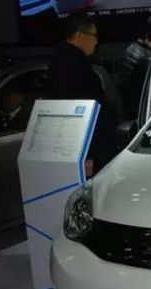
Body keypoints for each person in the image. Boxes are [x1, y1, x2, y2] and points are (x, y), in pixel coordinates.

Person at [45, 14, 120, 175]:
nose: (96, 41)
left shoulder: (57, 59)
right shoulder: (78, 66)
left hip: (67, 145)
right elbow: (89, 114)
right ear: (79, 35)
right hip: (88, 149)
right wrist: (89, 154)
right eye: (94, 36)